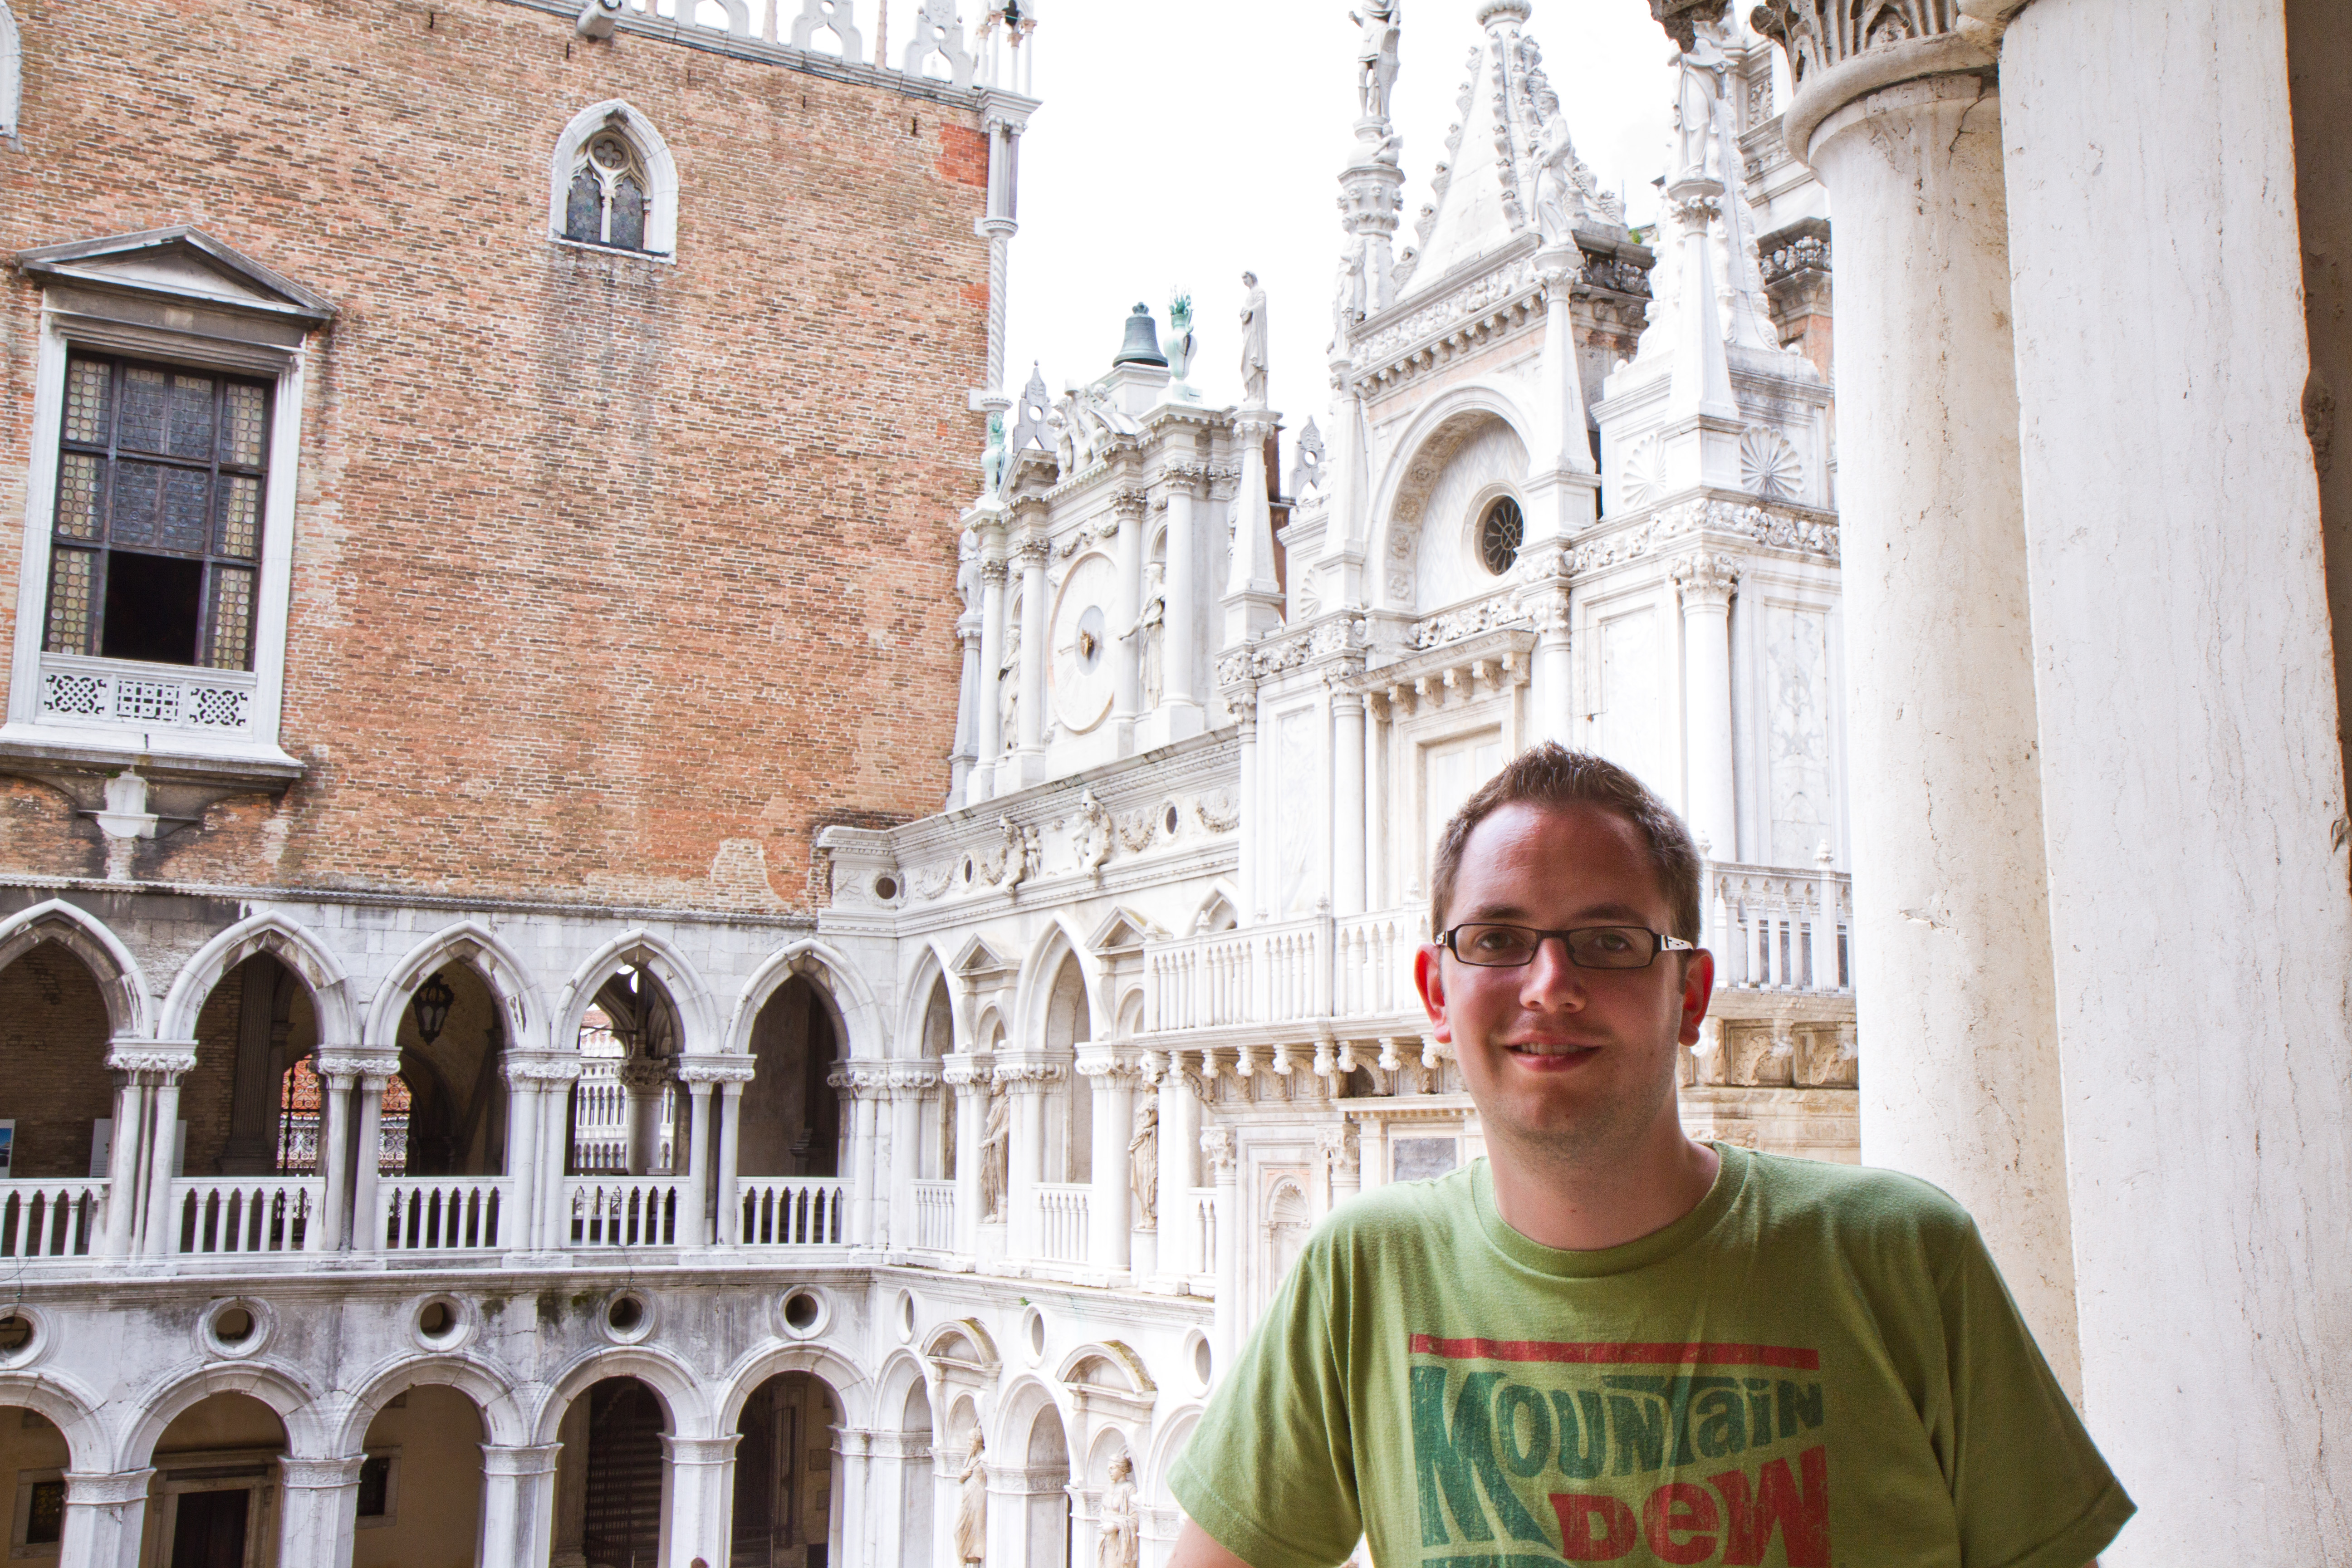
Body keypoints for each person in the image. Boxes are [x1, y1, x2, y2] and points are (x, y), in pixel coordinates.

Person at [1166, 744, 2134, 1568]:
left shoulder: (1905, 1256)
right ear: (1435, 992)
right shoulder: (1362, 1275)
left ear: (1691, 996)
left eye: (1610, 941)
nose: (1550, 985)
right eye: (1498, 938)